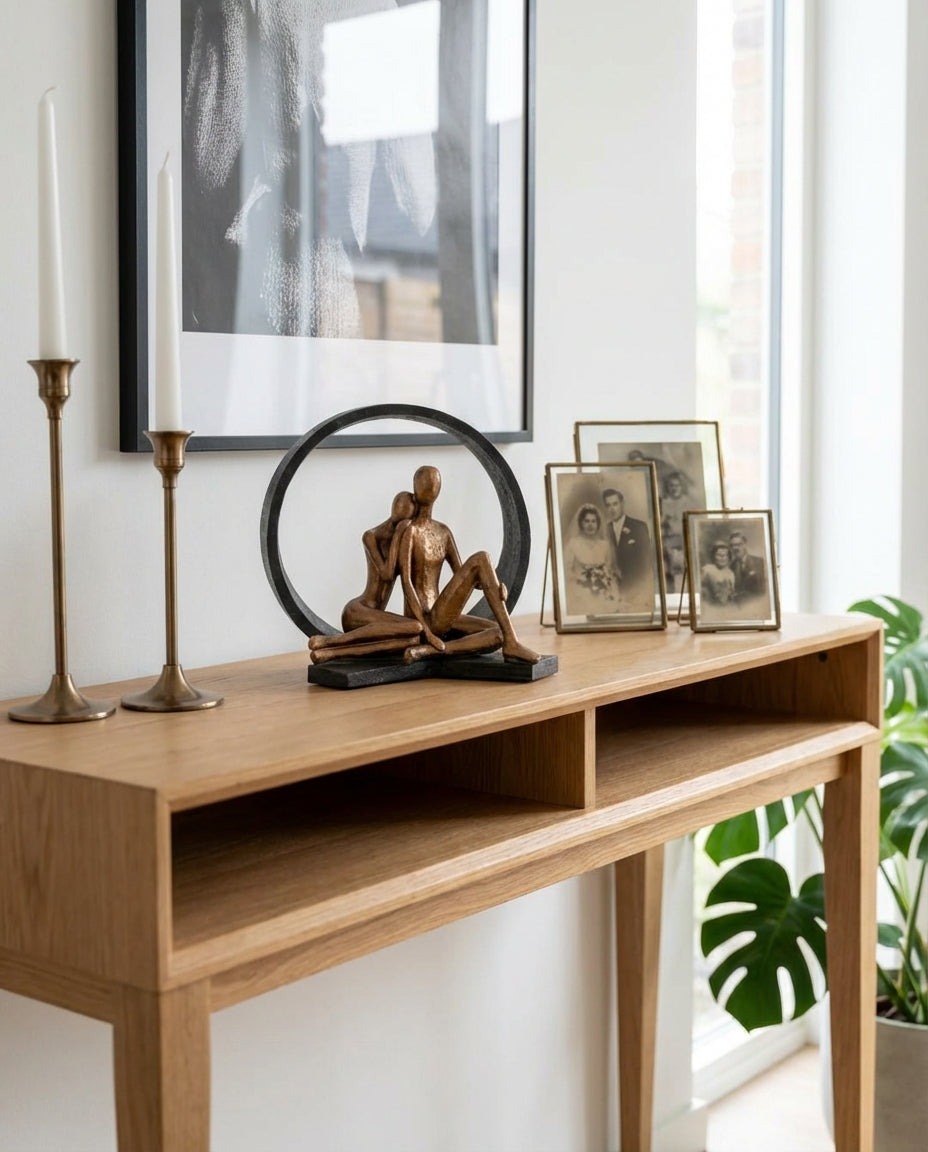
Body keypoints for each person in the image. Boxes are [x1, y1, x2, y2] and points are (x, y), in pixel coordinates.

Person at [398, 466, 540, 664]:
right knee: (481, 558)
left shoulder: (443, 532)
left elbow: (471, 579)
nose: (429, 487)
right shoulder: (410, 531)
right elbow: (406, 584)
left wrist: (497, 586)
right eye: (423, 482)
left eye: (433, 483)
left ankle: (435, 651)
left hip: (444, 615)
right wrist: (426, 630)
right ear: (415, 488)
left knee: (499, 633)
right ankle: (512, 642)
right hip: (426, 619)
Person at [308, 491, 422, 664]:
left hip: (376, 618)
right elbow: (386, 573)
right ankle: (330, 641)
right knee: (414, 627)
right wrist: (399, 533)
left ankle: (331, 653)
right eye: (402, 522)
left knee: (413, 639)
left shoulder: (402, 543)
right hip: (357, 611)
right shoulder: (371, 536)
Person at [562, 504, 619, 615]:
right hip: (579, 589)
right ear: (581, 524)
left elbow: (608, 569)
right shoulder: (573, 544)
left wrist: (603, 581)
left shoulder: (604, 545)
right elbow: (567, 571)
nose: (590, 525)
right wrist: (581, 582)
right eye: (586, 521)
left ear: (598, 524)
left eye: (593, 521)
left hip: (603, 589)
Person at [601, 488, 653, 608]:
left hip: (634, 588)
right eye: (608, 505)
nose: (612, 509)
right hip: (612, 589)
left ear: (622, 503)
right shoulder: (604, 529)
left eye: (615, 504)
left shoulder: (639, 526)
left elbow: (646, 562)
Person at [729, 531, 767, 604]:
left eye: (739, 544)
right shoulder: (730, 567)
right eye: (732, 545)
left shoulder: (760, 562)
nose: (735, 548)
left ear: (745, 545)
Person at [700, 541, 736, 607]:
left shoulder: (730, 573)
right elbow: (700, 588)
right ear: (713, 556)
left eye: (725, 555)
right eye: (719, 555)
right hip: (710, 604)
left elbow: (731, 593)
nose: (722, 558)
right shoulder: (707, 569)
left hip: (726, 605)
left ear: (728, 557)